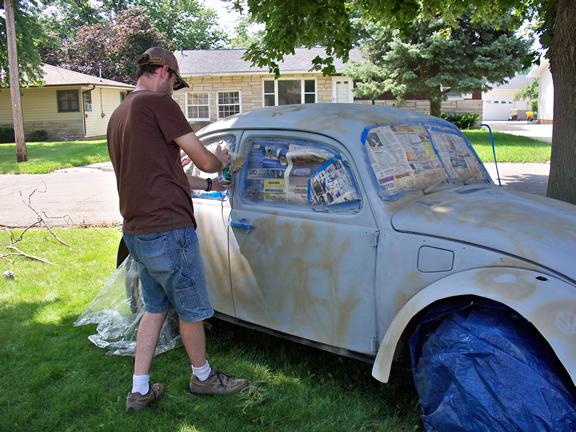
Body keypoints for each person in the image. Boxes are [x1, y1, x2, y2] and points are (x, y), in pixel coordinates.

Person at [107, 46, 248, 414]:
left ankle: (139, 390)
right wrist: (221, 161)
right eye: (174, 81)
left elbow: (161, 175)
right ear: (164, 71)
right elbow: (203, 159)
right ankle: (202, 377)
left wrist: (207, 187)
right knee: (191, 308)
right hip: (168, 228)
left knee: (155, 309)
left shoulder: (120, 114)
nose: (174, 89)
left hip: (136, 231)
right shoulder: (158, 104)